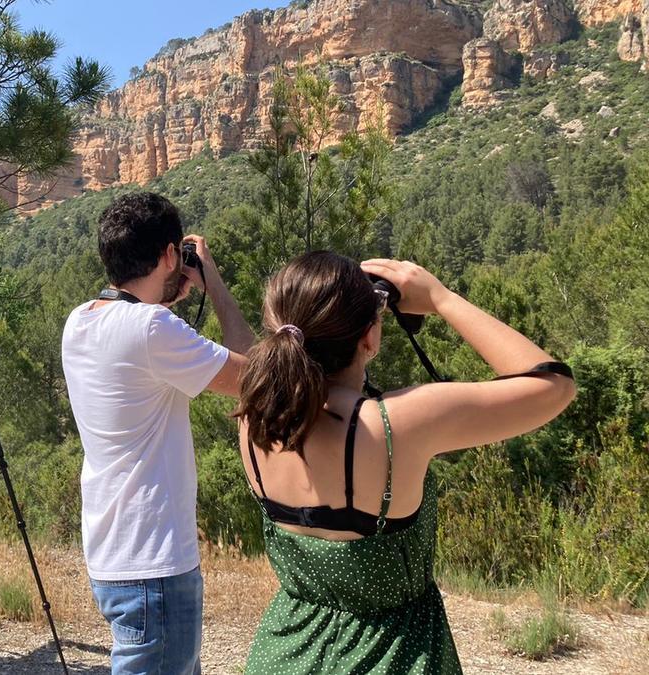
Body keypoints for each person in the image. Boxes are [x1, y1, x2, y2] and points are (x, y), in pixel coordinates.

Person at [236, 253, 576, 673]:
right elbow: (554, 385)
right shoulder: (393, 426)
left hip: (285, 650)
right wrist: (442, 298)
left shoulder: (255, 417)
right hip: (393, 656)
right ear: (370, 339)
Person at [60, 191, 254, 674]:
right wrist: (215, 286)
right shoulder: (152, 328)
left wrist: (167, 294)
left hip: (111, 551)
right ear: (171, 254)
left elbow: (142, 356)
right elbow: (257, 375)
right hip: (154, 560)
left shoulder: (79, 321)